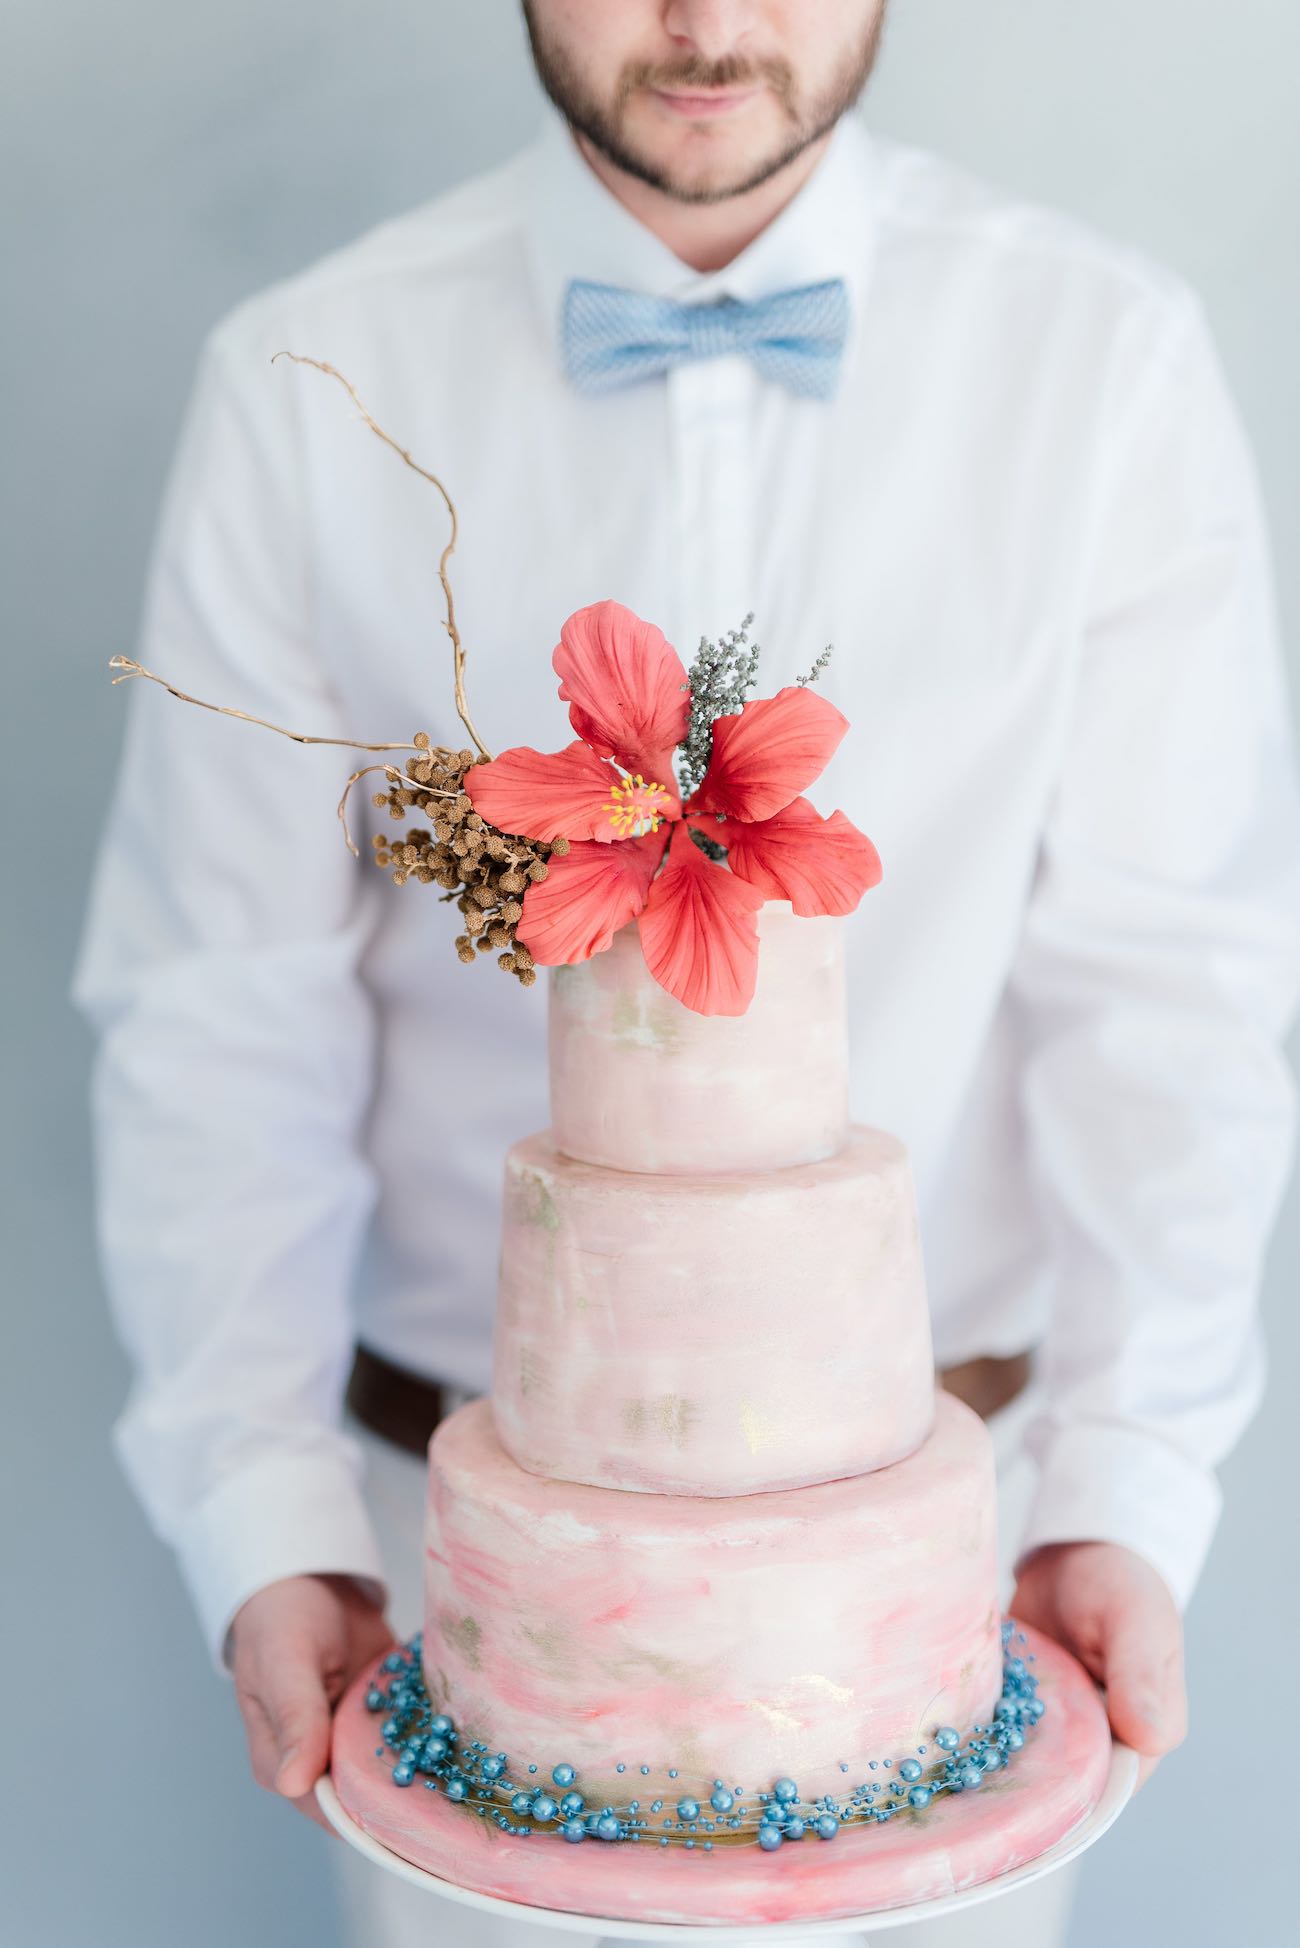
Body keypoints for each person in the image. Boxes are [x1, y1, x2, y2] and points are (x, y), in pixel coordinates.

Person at [73, 3, 1300, 1944]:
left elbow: (1169, 981)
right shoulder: (313, 376)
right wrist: (263, 1515)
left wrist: (1122, 1488)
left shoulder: (1097, 357)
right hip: (452, 1549)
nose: (712, 22)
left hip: (949, 1551)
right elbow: (219, 1006)